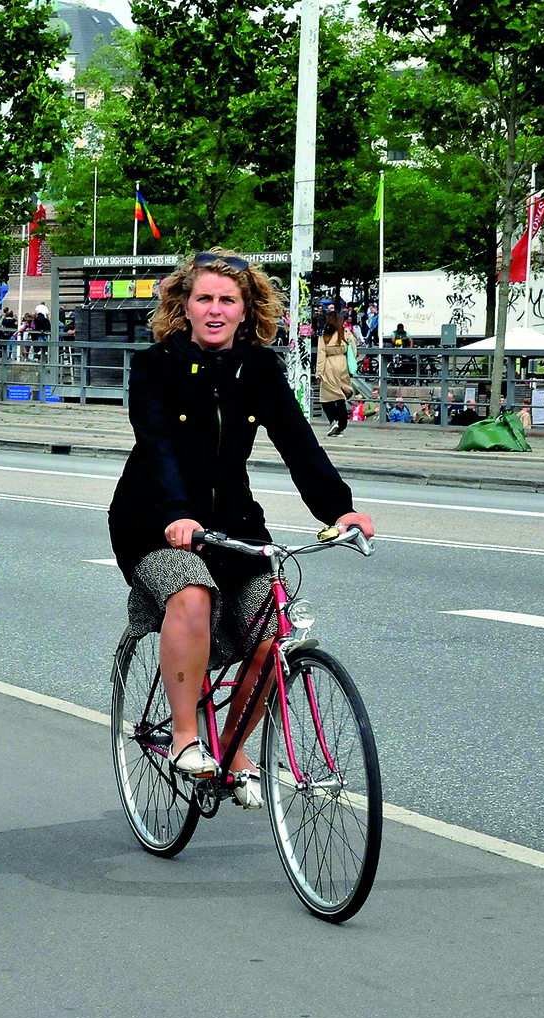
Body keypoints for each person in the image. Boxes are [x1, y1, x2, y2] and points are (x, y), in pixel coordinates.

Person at [107, 249, 375, 808]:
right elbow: (156, 447)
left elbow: (298, 442)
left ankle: (230, 749)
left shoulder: (260, 369)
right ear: (184, 305)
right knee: (192, 590)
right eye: (204, 298)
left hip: (231, 521)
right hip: (155, 518)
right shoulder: (156, 366)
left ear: (246, 309)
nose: (215, 309)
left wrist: (338, 509)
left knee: (272, 628)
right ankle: (185, 736)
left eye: (228, 300)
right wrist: (177, 514)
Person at [316, 309, 355, 436]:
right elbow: (353, 351)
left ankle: (334, 421)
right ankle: (342, 426)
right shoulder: (345, 333)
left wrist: (319, 372)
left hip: (329, 365)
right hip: (342, 364)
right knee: (341, 396)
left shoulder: (325, 336)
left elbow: (321, 354)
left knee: (326, 397)